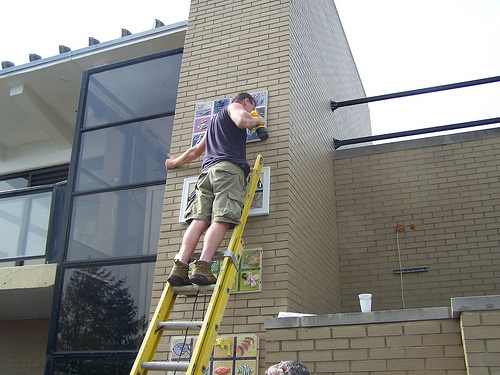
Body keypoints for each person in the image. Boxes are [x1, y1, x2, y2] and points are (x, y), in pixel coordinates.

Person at [165, 92, 266, 286]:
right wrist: (258, 118)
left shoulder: (213, 123)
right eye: (251, 107)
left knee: (199, 220)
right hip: (227, 171)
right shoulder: (234, 108)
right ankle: (203, 266)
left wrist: (173, 163)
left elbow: (194, 152)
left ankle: (180, 268)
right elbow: (243, 121)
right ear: (246, 101)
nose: (251, 111)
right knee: (222, 217)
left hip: (206, 175)